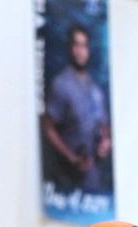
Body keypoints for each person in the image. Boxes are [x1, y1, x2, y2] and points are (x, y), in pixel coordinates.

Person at [42, 23, 112, 194]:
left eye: (84, 45)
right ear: (70, 48)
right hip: (68, 179)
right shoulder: (61, 84)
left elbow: (104, 125)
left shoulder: (95, 89)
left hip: (93, 179)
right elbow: (48, 127)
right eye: (77, 45)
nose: (81, 51)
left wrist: (106, 141)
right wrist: (71, 157)